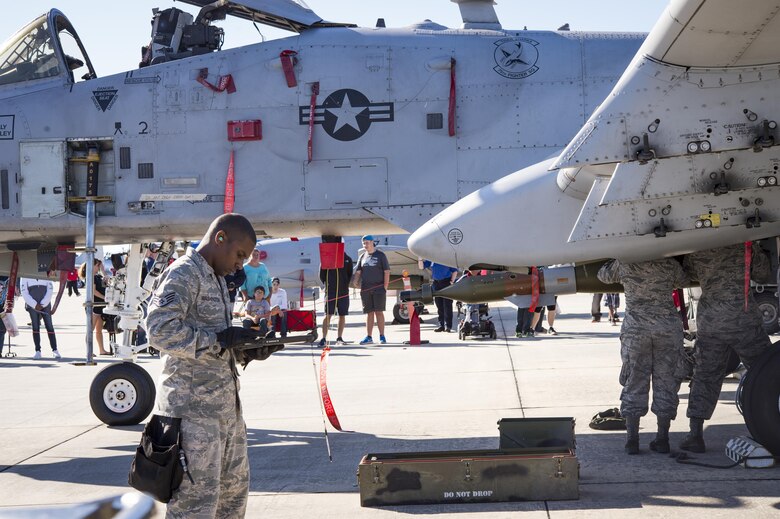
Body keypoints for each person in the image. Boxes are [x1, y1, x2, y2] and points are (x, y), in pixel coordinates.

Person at [145, 213, 283, 518]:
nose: (241, 264)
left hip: (226, 415)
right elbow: (158, 330)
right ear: (220, 238)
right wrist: (220, 340)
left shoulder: (217, 278)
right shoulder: (184, 273)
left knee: (231, 505)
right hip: (193, 419)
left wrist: (246, 350)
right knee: (194, 509)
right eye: (239, 255)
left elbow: (217, 343)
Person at [680, 244, 773, 453]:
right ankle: (771, 424)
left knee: (705, 375)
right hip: (743, 319)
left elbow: (688, 275)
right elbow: (763, 274)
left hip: (712, 321)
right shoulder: (747, 244)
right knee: (767, 374)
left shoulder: (698, 247)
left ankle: (695, 434)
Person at [598, 258, 688, 455]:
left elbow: (602, 276)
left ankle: (632, 440)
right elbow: (683, 281)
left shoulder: (624, 263)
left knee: (634, 381)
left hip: (636, 330)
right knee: (667, 380)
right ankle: (662, 439)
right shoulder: (669, 263)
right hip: (667, 328)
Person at [352, 235, 390, 345]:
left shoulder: (381, 255)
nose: (365, 245)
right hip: (366, 289)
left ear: (372, 242)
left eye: (367, 242)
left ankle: (382, 336)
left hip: (379, 288)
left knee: (379, 312)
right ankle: (369, 337)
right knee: (369, 313)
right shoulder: (362, 256)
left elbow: (386, 271)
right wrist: (355, 282)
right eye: (363, 243)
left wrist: (385, 286)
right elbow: (358, 271)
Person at [20, 277, 60, 360]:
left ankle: (55, 350)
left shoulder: (45, 272)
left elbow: (50, 289)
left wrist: (43, 304)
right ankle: (37, 351)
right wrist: (34, 305)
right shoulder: (24, 275)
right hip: (32, 306)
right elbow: (24, 292)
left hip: (45, 305)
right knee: (35, 327)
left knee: (49, 326)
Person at [319, 250, 353, 346]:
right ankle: (323, 338)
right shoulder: (326, 259)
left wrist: (344, 284)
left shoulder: (347, 259)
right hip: (330, 291)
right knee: (328, 314)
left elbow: (349, 274)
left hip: (343, 291)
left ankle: (339, 337)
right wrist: (328, 285)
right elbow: (322, 275)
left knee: (342, 314)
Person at [79, 259, 110, 355]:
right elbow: (94, 291)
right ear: (93, 266)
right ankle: (89, 351)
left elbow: (105, 282)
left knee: (99, 330)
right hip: (94, 305)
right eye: (98, 266)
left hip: (100, 305)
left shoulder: (97, 276)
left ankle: (102, 350)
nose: (99, 268)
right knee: (90, 329)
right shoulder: (90, 277)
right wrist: (104, 298)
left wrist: (103, 271)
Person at [420, 259, 459, 332]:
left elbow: (455, 270)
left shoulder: (445, 259)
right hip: (436, 283)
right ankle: (441, 325)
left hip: (446, 282)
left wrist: (452, 282)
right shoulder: (432, 259)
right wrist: (420, 258)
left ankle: (448, 326)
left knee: (447, 305)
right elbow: (421, 267)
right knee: (439, 305)